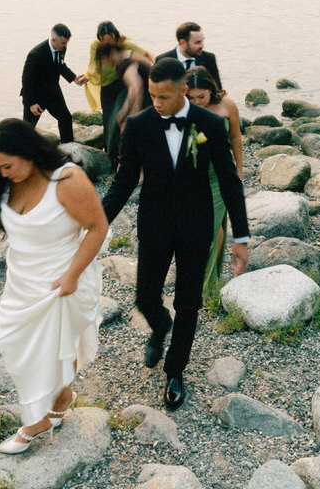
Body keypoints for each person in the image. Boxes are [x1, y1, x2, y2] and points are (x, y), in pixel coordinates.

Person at [102, 58, 249, 411]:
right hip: (154, 224)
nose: (157, 103)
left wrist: (240, 237)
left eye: (164, 96)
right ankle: (159, 326)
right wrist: (97, 223)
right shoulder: (138, 126)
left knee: (188, 304)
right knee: (145, 298)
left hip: (197, 225)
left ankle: (175, 371)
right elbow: (123, 183)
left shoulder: (210, 125)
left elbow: (230, 181)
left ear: (183, 90)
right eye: (152, 95)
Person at [0, 119, 109, 454]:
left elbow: (97, 227)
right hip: (21, 283)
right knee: (12, 342)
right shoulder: (7, 184)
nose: (5, 173)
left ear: (27, 151)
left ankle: (37, 422)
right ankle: (60, 399)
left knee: (52, 349)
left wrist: (71, 276)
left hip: (60, 281)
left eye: (9, 165)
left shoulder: (67, 180)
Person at [184, 66, 244, 300]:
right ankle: (209, 282)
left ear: (212, 90)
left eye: (202, 96)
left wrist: (239, 170)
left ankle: (206, 288)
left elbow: (236, 136)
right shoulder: (181, 109)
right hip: (193, 177)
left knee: (213, 228)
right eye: (191, 97)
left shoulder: (227, 105)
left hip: (221, 176)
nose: (197, 102)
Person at [86, 21, 150, 160]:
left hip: (126, 87)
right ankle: (113, 154)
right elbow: (92, 65)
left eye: (105, 59)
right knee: (110, 121)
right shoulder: (122, 55)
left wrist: (131, 111)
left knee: (122, 121)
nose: (106, 63)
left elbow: (136, 87)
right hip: (108, 87)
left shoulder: (123, 59)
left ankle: (124, 158)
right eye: (103, 39)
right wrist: (86, 76)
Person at [21, 24, 86, 143]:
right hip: (36, 96)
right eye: (63, 43)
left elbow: (59, 64)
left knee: (65, 118)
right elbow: (26, 80)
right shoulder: (35, 54)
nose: (65, 46)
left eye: (66, 43)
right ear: (53, 40)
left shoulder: (61, 48)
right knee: (27, 129)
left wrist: (73, 78)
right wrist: (31, 103)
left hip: (53, 92)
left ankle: (69, 148)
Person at [157, 21, 222, 90]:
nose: (202, 46)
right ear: (183, 43)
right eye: (197, 42)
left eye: (202, 41)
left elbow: (218, 90)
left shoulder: (209, 59)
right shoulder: (163, 61)